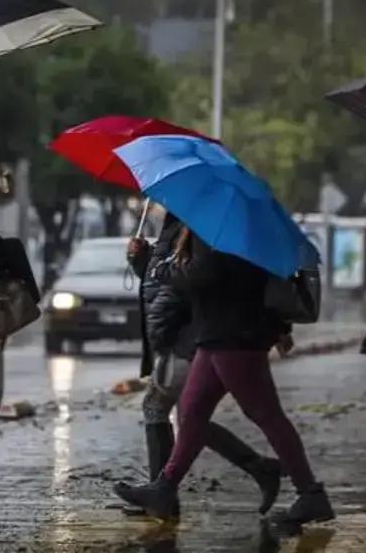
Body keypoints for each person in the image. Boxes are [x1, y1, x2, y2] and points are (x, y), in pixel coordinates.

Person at [115, 227, 334, 528]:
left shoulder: (214, 229)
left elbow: (201, 275)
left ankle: (310, 494)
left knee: (267, 415)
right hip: (217, 331)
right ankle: (164, 488)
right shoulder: (226, 225)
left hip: (235, 335)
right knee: (192, 412)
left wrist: (158, 267)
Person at [116, 211, 283, 514]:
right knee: (190, 419)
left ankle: (162, 493)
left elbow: (191, 278)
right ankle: (259, 469)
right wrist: (142, 260)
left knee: (161, 408)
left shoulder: (197, 224)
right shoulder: (176, 223)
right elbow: (161, 277)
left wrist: (159, 269)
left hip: (189, 332)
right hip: (181, 331)